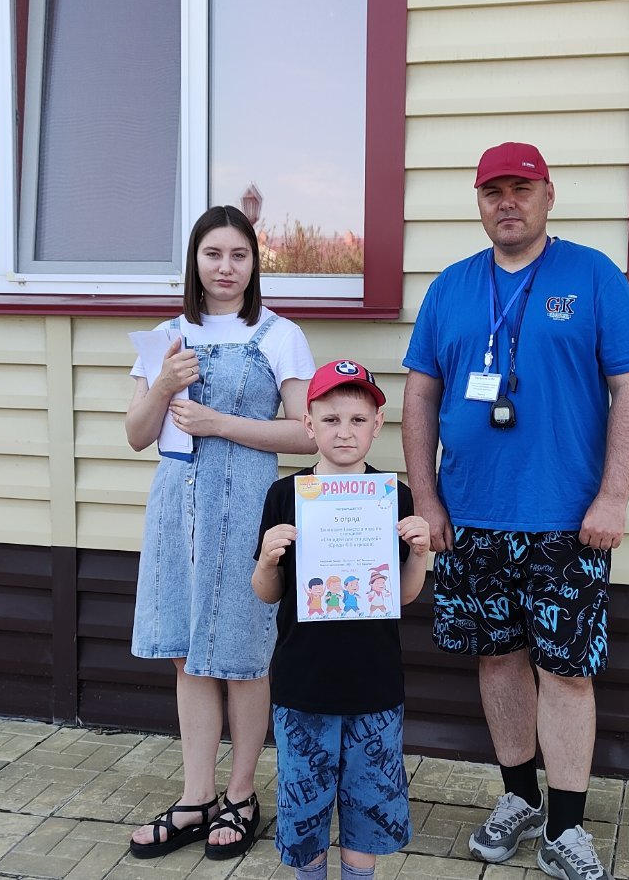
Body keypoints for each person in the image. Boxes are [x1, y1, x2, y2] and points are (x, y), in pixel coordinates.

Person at [401, 142, 629, 880]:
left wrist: (613, 496)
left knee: (566, 671)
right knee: (498, 658)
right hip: (471, 517)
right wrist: (427, 498)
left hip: (567, 520)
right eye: (493, 191)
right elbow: (420, 394)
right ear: (479, 203)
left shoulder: (593, 276)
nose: (507, 202)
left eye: (521, 188)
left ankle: (567, 828)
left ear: (549, 195)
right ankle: (519, 797)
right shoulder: (451, 287)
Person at [125, 204, 318, 860]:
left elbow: (306, 432)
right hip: (177, 512)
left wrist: (220, 424)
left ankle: (241, 794)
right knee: (188, 654)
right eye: (214, 254)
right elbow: (136, 435)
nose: (226, 267)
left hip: (246, 513)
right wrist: (162, 386)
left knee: (242, 655)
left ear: (254, 263)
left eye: (240, 255)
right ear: (195, 261)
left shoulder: (279, 335)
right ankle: (196, 796)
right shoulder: (166, 336)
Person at [252, 359, 432, 880]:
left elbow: (402, 595)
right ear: (308, 425)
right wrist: (266, 561)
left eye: (357, 420)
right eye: (330, 420)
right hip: (303, 684)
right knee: (304, 813)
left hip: (374, 685)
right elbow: (267, 593)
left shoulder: (394, 498)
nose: (344, 432)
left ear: (378, 425)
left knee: (368, 816)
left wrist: (420, 554)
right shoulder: (285, 496)